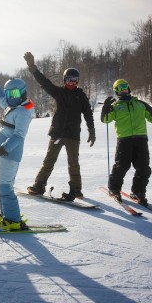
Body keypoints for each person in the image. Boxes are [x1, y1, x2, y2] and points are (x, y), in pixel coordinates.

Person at [24, 52, 95, 201]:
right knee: (49, 161)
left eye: (75, 81)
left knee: (73, 164)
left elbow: (88, 113)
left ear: (78, 82)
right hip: (57, 134)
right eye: (69, 80)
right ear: (64, 80)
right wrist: (32, 67)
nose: (72, 83)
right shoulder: (59, 92)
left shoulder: (81, 96)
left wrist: (91, 130)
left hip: (73, 136)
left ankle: (76, 189)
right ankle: (39, 185)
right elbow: (44, 82)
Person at [101, 79, 152, 205]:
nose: (123, 90)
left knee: (144, 168)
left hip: (141, 140)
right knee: (121, 166)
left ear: (128, 88)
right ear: (116, 91)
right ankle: (114, 188)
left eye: (124, 87)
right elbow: (105, 119)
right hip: (124, 141)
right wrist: (105, 107)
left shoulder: (140, 104)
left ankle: (138, 192)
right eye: (119, 88)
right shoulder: (116, 107)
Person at [0, 77, 34, 230]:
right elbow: (1, 99)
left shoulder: (23, 111)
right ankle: (5, 214)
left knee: (5, 186)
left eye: (14, 93)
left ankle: (13, 219)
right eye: (8, 93)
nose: (10, 96)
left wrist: (2, 149)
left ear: (22, 93)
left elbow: (19, 136)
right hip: (1, 152)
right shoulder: (13, 104)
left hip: (10, 154)